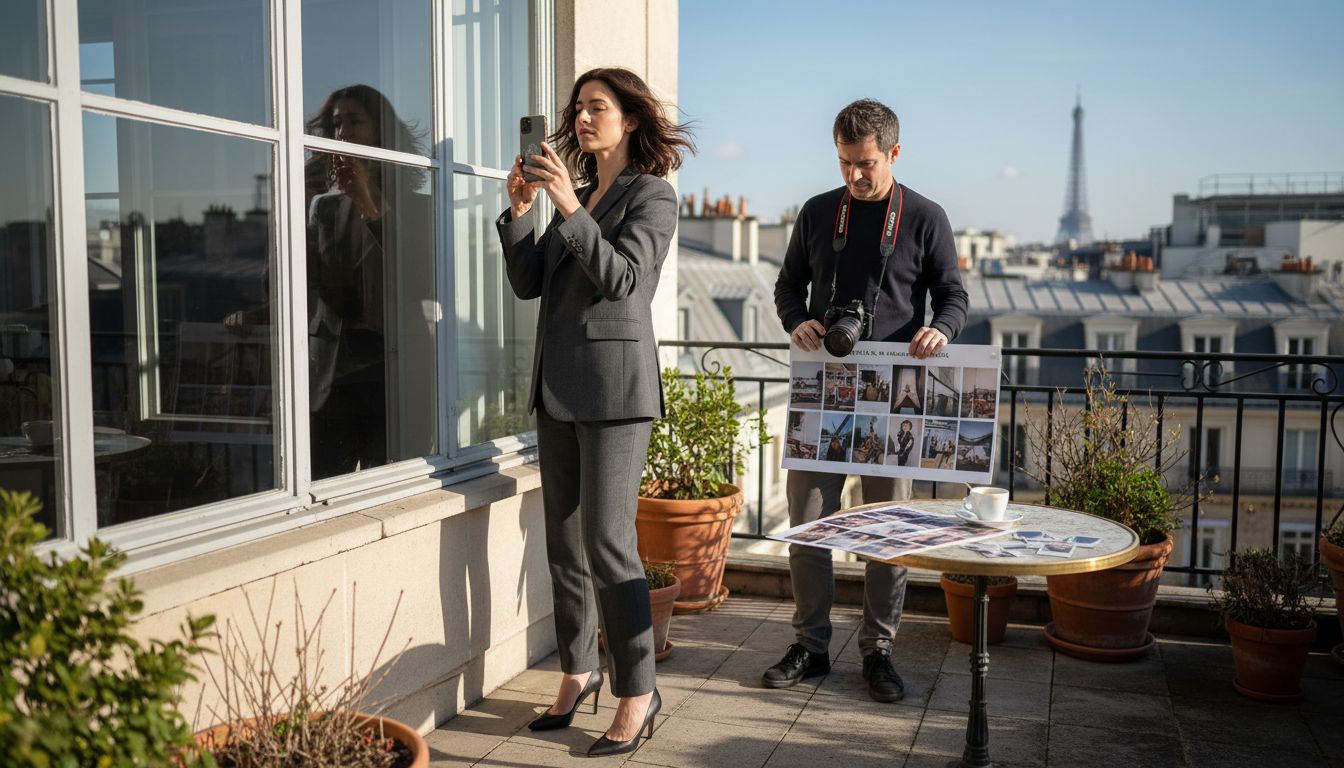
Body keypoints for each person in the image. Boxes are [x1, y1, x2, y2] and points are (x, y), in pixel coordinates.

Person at [495, 66, 692, 757]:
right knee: (564, 544)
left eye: (597, 108)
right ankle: (578, 670)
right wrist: (522, 211)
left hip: (615, 394)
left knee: (609, 542)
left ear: (630, 120)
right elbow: (527, 284)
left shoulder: (652, 197)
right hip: (558, 390)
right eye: (578, 108)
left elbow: (623, 281)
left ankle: (638, 688)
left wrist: (569, 211)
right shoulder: (573, 195)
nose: (582, 119)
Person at [768, 98, 968, 702]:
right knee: (808, 524)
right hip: (823, 389)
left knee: (890, 529)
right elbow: (786, 288)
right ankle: (811, 646)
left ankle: (879, 650)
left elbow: (953, 297)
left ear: (894, 154)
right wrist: (797, 320)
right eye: (845, 163)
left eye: (866, 163)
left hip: (894, 399)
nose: (854, 176)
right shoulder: (816, 212)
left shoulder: (925, 216)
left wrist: (943, 330)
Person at [225, 84, 432, 479]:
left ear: (381, 131)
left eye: (355, 121)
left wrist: (368, 202)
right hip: (334, 378)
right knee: (324, 489)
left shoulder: (419, 208)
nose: (343, 133)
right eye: (337, 124)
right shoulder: (325, 209)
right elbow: (289, 287)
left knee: (392, 490)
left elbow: (420, 282)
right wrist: (297, 202)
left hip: (394, 376)